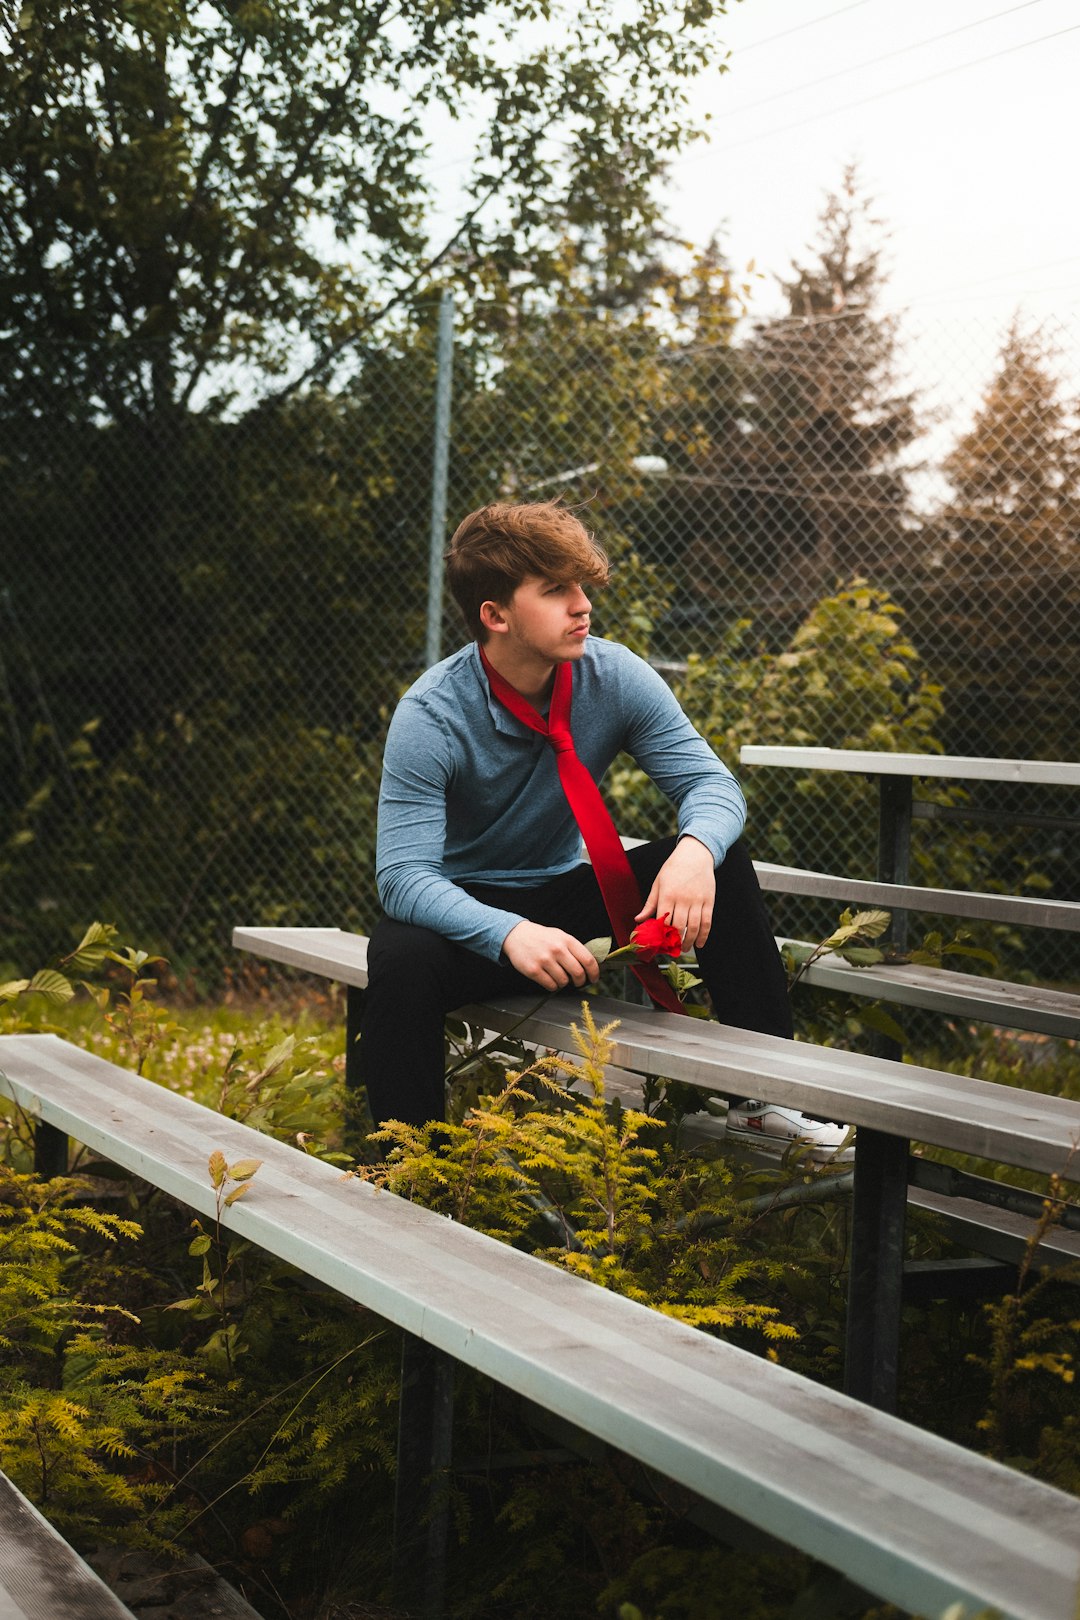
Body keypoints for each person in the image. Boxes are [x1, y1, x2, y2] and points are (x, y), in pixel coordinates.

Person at [358, 499, 844, 1155]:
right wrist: (507, 933)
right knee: (399, 955)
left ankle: (768, 1103)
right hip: (474, 919)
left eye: (582, 586)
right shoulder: (431, 714)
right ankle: (411, 1168)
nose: (582, 605)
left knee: (717, 854)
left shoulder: (612, 675)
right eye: (556, 590)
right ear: (495, 616)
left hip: (569, 903)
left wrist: (695, 851)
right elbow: (403, 877)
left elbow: (710, 784)